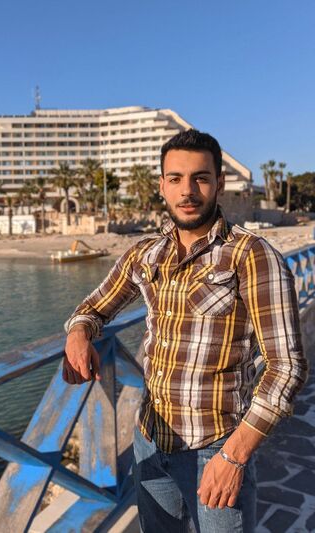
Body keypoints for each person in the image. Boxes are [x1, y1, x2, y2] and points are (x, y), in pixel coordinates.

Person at [63, 130, 308, 532]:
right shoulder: (146, 253)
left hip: (216, 448)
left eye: (200, 178)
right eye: (175, 178)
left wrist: (234, 457)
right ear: (162, 185)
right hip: (150, 441)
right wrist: (78, 334)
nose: (187, 191)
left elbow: (286, 367)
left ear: (219, 183)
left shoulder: (252, 256)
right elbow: (93, 307)